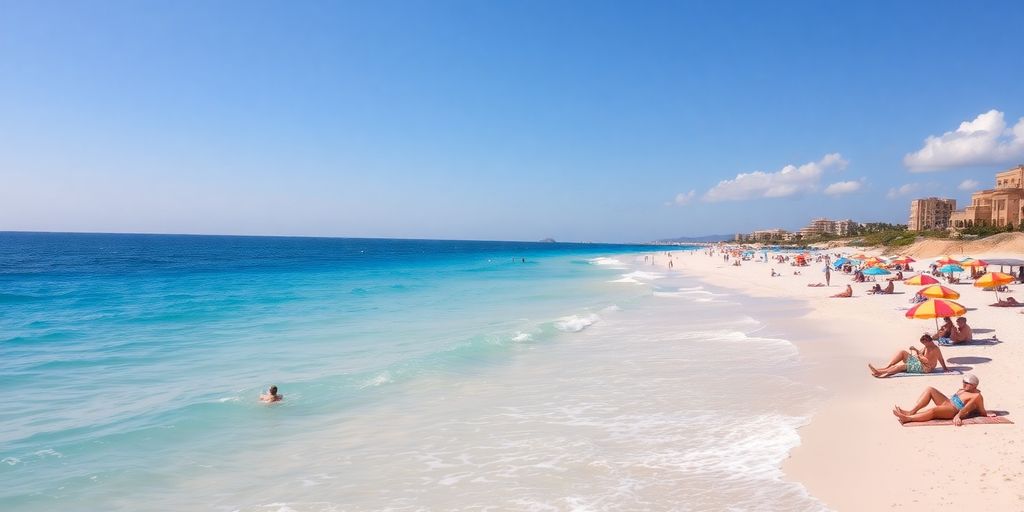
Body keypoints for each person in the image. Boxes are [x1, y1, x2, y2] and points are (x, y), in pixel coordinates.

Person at [893, 374, 986, 426]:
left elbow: (973, 409)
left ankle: (908, 419)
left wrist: (958, 416)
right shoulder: (964, 389)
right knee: (930, 389)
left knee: (934, 410)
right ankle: (911, 412)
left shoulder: (977, 396)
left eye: (967, 383)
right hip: (948, 402)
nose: (964, 384)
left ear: (974, 385)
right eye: (963, 382)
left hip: (952, 410)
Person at [869, 334, 947, 377]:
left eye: (924, 343)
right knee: (902, 352)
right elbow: (919, 355)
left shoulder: (935, 349)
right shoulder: (927, 346)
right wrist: (914, 354)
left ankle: (880, 372)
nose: (923, 344)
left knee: (900, 367)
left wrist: (945, 368)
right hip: (920, 363)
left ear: (928, 341)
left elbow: (930, 360)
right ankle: (887, 367)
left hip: (926, 368)